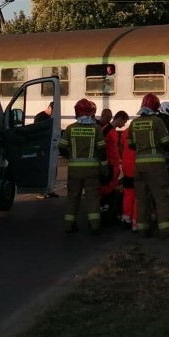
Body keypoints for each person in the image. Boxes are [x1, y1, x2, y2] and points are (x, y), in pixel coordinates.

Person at [127, 93, 169, 238]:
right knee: (162, 197)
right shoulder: (157, 122)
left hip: (139, 166)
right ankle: (166, 230)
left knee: (142, 199)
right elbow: (166, 142)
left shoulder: (134, 123)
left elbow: (131, 144)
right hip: (157, 166)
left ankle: (143, 229)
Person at [59, 98, 107, 235]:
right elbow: (102, 151)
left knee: (73, 197)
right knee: (92, 198)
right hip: (92, 170)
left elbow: (62, 147)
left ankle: (69, 225)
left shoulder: (70, 128)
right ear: (91, 112)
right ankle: (95, 225)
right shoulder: (97, 129)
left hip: (74, 170)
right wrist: (104, 168)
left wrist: (72, 157)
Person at [99, 110, 129, 225]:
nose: (124, 125)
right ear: (119, 118)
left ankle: (108, 211)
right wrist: (105, 164)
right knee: (108, 190)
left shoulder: (112, 131)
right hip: (110, 165)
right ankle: (105, 212)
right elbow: (101, 147)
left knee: (112, 189)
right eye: (124, 122)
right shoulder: (107, 130)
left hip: (114, 164)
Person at [34, 101, 60, 199]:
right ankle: (41, 191)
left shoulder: (52, 117)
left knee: (53, 169)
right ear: (49, 108)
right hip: (42, 147)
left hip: (51, 146)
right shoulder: (40, 117)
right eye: (53, 111)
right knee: (43, 169)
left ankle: (50, 190)